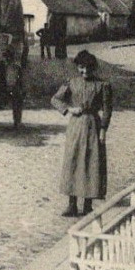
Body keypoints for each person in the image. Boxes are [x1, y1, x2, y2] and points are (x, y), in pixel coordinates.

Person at [51, 50, 113, 217]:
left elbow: (107, 110)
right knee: (73, 160)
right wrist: (69, 109)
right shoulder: (72, 82)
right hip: (76, 127)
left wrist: (103, 130)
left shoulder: (102, 85)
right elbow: (55, 99)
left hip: (93, 125)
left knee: (91, 162)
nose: (84, 72)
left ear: (93, 68)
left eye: (88, 69)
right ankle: (72, 204)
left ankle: (87, 205)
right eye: (81, 68)